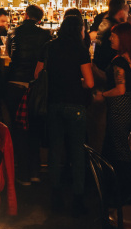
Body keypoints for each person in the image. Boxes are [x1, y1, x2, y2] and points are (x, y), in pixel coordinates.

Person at [36, 14, 93, 215]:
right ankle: (78, 199)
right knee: (77, 152)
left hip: (53, 104)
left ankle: (56, 197)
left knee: (55, 151)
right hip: (75, 104)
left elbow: (37, 75)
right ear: (79, 30)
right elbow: (90, 83)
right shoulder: (80, 49)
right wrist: (77, 82)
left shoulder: (49, 47)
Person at [94, 21, 131, 196]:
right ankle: (126, 190)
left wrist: (102, 95)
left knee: (118, 146)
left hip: (120, 106)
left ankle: (120, 191)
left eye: (114, 36)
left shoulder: (119, 61)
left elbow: (120, 89)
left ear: (123, 39)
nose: (110, 39)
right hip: (130, 104)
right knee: (124, 145)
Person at [7, 4, 51, 185]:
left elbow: (10, 55)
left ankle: (23, 174)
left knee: (19, 130)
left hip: (15, 84)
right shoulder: (45, 35)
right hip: (35, 87)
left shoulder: (14, 32)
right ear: (40, 19)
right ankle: (35, 172)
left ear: (25, 15)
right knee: (35, 128)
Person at [92, 0, 128, 74]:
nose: (127, 16)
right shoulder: (115, 28)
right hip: (108, 71)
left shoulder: (104, 22)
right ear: (121, 12)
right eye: (127, 12)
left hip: (99, 68)